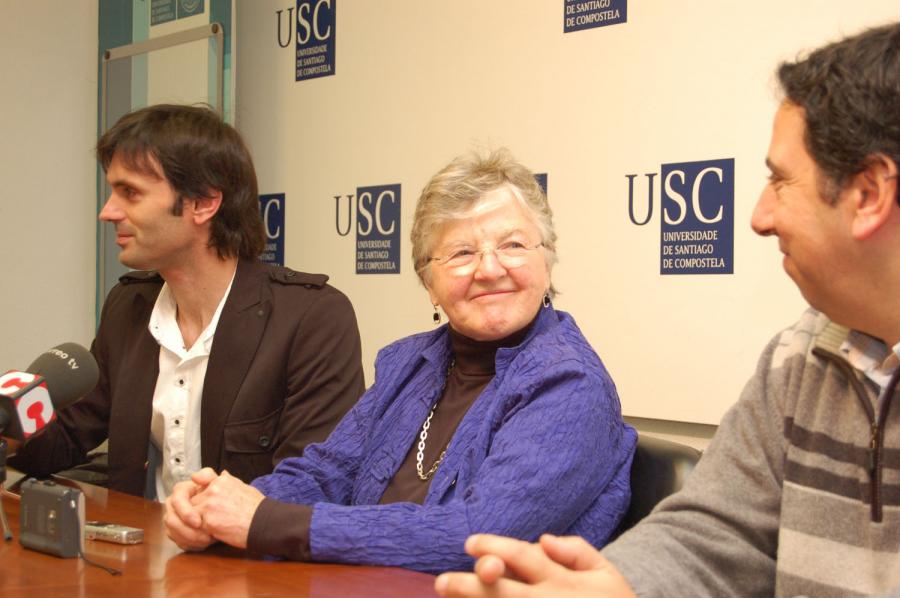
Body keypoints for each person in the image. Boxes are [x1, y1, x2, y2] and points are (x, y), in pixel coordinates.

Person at [433, 21, 900, 598]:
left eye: (780, 182)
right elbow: (710, 534)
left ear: (871, 194)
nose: (757, 216)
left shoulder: (566, 376)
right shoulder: (799, 360)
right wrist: (619, 587)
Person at [164, 149, 637, 574]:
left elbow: (479, 537)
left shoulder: (570, 382)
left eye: (513, 245)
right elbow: (328, 472)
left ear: (547, 261)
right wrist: (219, 510)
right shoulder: (410, 361)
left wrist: (266, 521)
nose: (490, 269)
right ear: (428, 283)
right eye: (461, 253)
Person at [8, 104, 365, 501]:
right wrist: (12, 425)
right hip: (140, 555)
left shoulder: (312, 318)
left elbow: (313, 485)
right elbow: (67, 438)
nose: (107, 212)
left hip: (250, 559)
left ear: (204, 203)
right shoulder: (127, 307)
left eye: (130, 193)